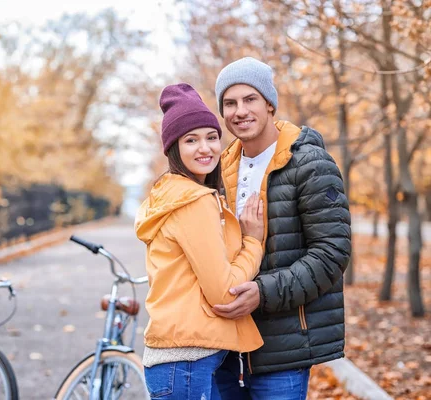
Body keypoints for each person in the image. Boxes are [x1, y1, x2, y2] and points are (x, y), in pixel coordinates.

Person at [211, 57, 352, 400]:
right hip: (224, 342)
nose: (239, 111)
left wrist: (262, 293)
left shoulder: (309, 163)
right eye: (229, 103)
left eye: (250, 99)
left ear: (270, 104)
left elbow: (331, 254)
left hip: (283, 343)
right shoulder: (218, 167)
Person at [134, 82, 266, 400]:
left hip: (179, 361)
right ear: (174, 148)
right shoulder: (194, 200)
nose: (204, 148)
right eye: (191, 140)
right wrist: (254, 242)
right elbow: (223, 292)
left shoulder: (168, 193)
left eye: (211, 137)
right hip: (187, 362)